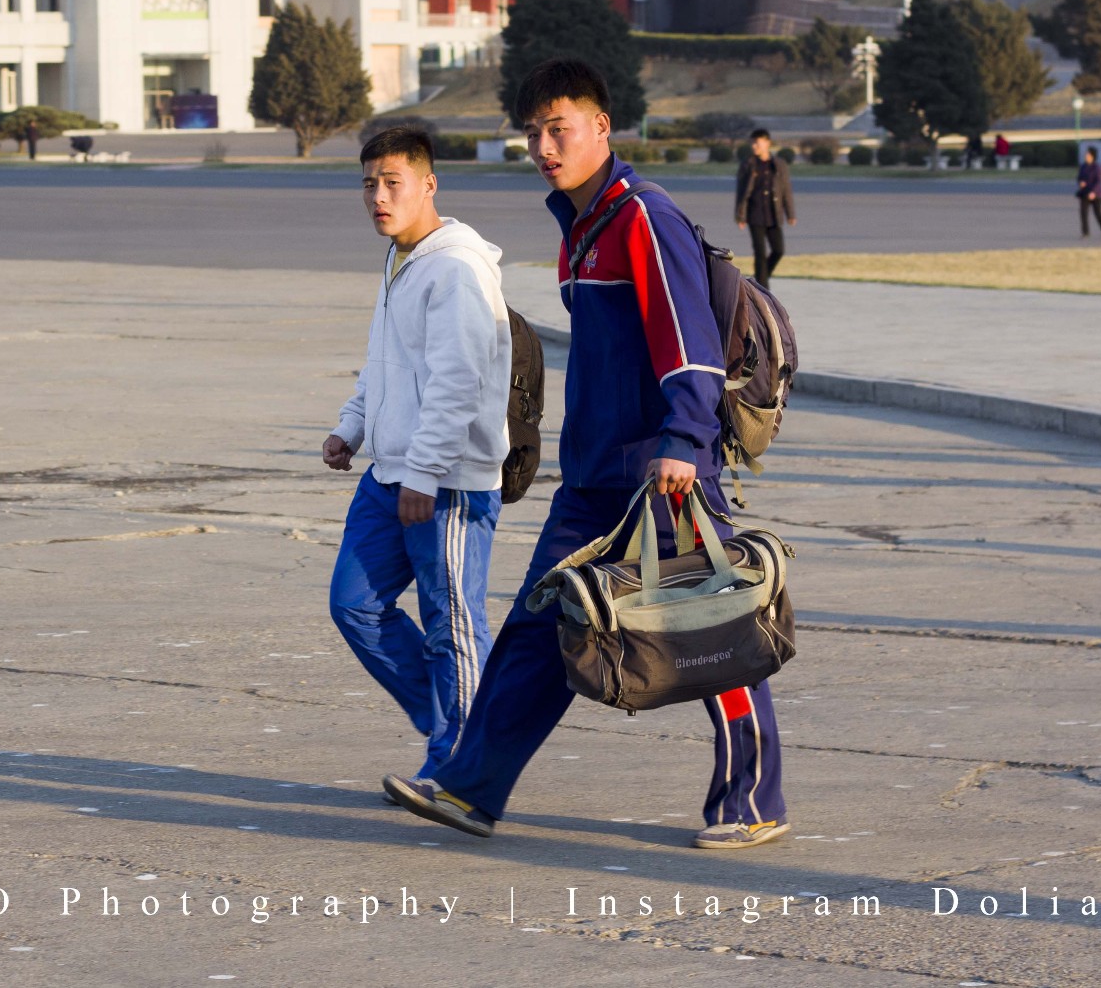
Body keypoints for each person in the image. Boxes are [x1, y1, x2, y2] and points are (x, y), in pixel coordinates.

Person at [386, 58, 789, 853]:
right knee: (540, 626)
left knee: (714, 625)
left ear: (601, 128)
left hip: (663, 470)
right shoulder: (583, 229)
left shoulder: (643, 216)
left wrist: (683, 441)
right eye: (532, 131)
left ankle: (752, 798)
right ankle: (472, 788)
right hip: (594, 477)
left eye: (558, 128)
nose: (543, 144)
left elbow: (690, 344)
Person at [325, 126, 511, 783]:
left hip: (447, 480)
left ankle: (465, 769)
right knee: (354, 603)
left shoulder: (455, 269)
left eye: (392, 182)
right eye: (369, 183)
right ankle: (448, 729)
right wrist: (352, 426)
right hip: (389, 471)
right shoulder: (402, 257)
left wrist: (428, 471)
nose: (378, 195)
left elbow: (458, 380)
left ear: (428, 184)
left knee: (452, 622)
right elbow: (386, 361)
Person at [735, 129, 796, 287]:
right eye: (753, 143)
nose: (754, 146)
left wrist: (790, 213)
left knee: (778, 250)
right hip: (755, 214)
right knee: (760, 253)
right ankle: (763, 289)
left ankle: (760, 279)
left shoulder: (779, 164)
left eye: (757, 142)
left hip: (773, 214)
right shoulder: (748, 164)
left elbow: (786, 190)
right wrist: (740, 215)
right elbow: (741, 191)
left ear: (767, 143)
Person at [1077, 146, 1101, 238]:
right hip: (1085, 193)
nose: (1086, 155)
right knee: (1083, 213)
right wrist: (1080, 182)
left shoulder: (1097, 167)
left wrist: (1093, 192)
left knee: (1098, 213)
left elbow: (1098, 181)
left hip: (1096, 194)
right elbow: (1079, 177)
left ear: (1092, 156)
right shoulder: (1083, 166)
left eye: (1087, 153)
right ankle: (1085, 232)